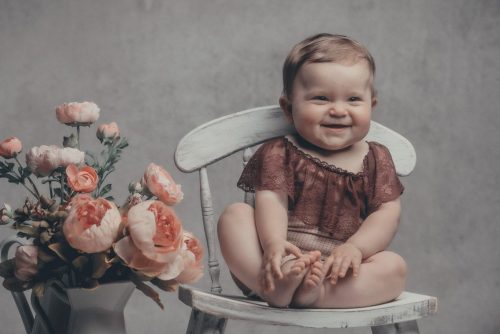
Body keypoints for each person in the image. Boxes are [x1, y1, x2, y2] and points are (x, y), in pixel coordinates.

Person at [217, 33, 407, 308]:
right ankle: (271, 286)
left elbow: (387, 214)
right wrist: (273, 244)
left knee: (394, 267)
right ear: (288, 107)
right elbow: (272, 200)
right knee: (234, 215)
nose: (339, 110)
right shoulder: (281, 151)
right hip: (276, 260)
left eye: (353, 99)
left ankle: (317, 296)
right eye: (321, 98)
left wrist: (357, 248)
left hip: (335, 271)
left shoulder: (376, 158)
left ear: (371, 106)